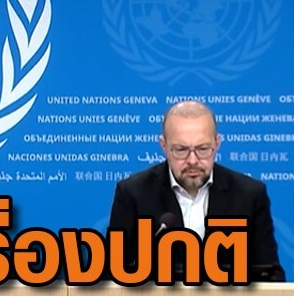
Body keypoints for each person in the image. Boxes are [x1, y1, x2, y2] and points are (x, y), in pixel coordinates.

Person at [108, 100, 284, 280]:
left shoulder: (249, 195)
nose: (192, 160)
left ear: (217, 143)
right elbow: (112, 271)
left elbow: (270, 275)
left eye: (202, 149)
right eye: (181, 150)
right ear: (164, 146)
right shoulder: (133, 194)